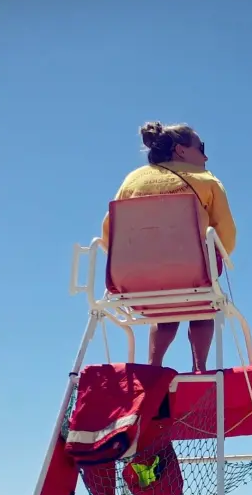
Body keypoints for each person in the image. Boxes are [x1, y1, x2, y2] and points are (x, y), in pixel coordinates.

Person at [101, 122, 236, 373]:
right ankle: (200, 369)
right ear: (180, 150)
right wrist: (222, 256)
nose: (205, 156)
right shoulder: (207, 180)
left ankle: (153, 367)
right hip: (191, 274)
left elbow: (110, 230)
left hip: (131, 279)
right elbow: (225, 234)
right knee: (204, 301)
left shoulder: (132, 179)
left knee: (165, 308)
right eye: (201, 148)